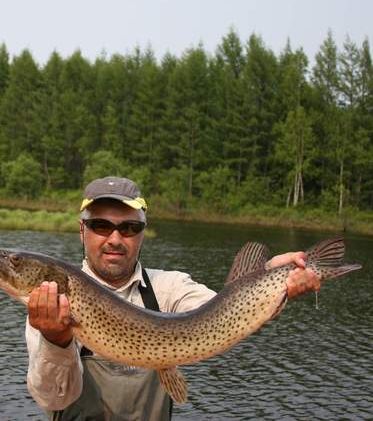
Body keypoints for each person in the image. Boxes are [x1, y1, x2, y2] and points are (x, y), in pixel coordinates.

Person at [25, 177, 320, 420]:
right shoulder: (49, 304)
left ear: (142, 234)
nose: (115, 238)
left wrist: (272, 276)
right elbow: (53, 397)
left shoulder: (171, 288)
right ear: (81, 230)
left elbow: (225, 314)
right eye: (101, 226)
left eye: (129, 228)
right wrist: (56, 339)